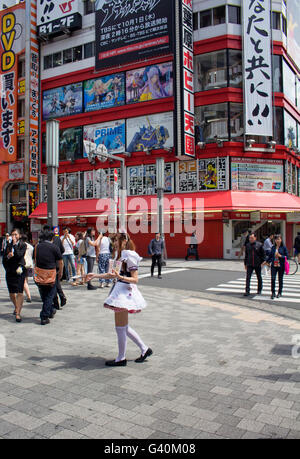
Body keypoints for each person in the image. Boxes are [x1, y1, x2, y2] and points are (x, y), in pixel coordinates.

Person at [86, 233, 152, 367]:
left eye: (116, 241)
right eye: (114, 241)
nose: (114, 244)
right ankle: (145, 349)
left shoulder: (129, 255)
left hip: (124, 294)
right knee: (123, 327)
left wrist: (120, 277)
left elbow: (135, 279)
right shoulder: (120, 255)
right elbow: (112, 274)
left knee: (120, 327)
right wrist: (95, 275)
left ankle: (121, 358)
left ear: (124, 241)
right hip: (119, 291)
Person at [35, 229, 63, 325]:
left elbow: (35, 260)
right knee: (50, 295)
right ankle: (44, 316)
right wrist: (60, 272)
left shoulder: (37, 247)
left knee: (44, 294)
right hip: (51, 274)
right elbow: (60, 261)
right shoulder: (54, 247)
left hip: (39, 274)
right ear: (52, 238)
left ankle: (50, 310)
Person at [3, 228, 27, 323]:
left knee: (19, 292)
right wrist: (8, 256)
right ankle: (17, 307)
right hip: (10, 271)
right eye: (12, 234)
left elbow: (19, 255)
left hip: (19, 271)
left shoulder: (23, 245)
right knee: (11, 293)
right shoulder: (8, 246)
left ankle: (18, 313)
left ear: (19, 235)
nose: (14, 236)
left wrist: (15, 245)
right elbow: (4, 259)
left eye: (15, 234)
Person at [43, 225, 66, 309]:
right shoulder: (57, 238)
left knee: (52, 284)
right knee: (56, 282)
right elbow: (62, 250)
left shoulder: (43, 242)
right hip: (57, 263)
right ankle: (61, 297)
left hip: (48, 265)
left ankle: (56, 302)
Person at [244, 232, 265, 296]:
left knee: (259, 277)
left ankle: (259, 290)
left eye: (252, 238)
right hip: (249, 264)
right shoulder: (247, 245)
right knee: (248, 277)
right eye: (250, 238)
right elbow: (246, 255)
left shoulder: (259, 245)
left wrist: (263, 262)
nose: (251, 239)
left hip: (257, 264)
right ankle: (247, 291)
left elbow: (263, 254)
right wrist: (245, 264)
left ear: (255, 238)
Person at [267, 234, 289, 299]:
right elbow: (270, 256)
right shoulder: (273, 247)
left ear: (281, 240)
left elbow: (287, 256)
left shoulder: (284, 247)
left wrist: (280, 256)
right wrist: (267, 261)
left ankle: (279, 292)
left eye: (279, 239)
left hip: (281, 266)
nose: (277, 240)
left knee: (280, 279)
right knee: (273, 279)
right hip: (274, 265)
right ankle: (273, 292)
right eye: (276, 239)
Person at [21, 234, 34, 303]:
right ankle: (23, 294)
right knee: (26, 280)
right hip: (30, 264)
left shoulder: (21, 245)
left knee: (24, 281)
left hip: (24, 264)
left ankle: (29, 296)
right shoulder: (31, 247)